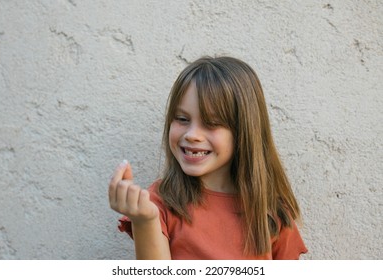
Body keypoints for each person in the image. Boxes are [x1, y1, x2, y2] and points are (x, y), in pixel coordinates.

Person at [108, 56, 308, 260]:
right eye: (182, 119)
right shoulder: (159, 204)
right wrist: (146, 221)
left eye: (211, 123)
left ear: (244, 132)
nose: (192, 134)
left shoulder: (272, 213)